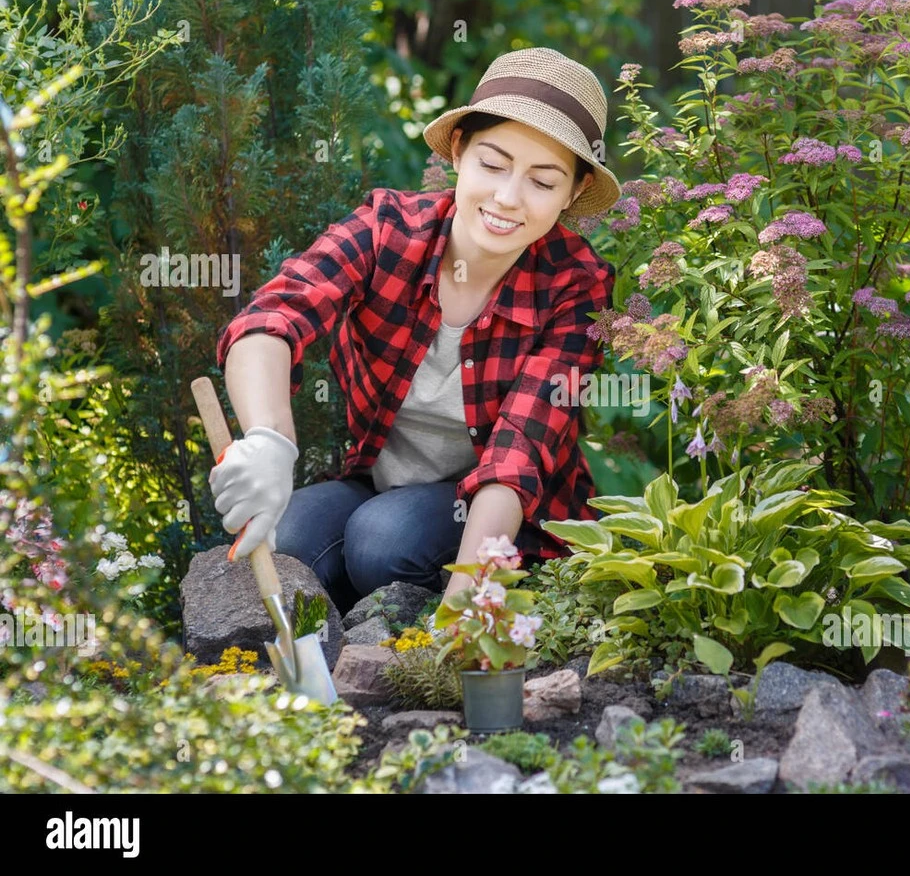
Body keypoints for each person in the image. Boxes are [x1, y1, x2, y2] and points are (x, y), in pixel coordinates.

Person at [208, 47, 621, 616]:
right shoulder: (387, 232)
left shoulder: (577, 285)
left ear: (573, 193)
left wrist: (470, 603)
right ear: (459, 152)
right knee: (293, 541)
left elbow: (517, 454)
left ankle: (404, 607)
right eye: (493, 164)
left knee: (384, 542)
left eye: (542, 182)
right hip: (380, 484)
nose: (507, 198)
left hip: (507, 512)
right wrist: (268, 440)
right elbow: (271, 320)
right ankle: (363, 617)